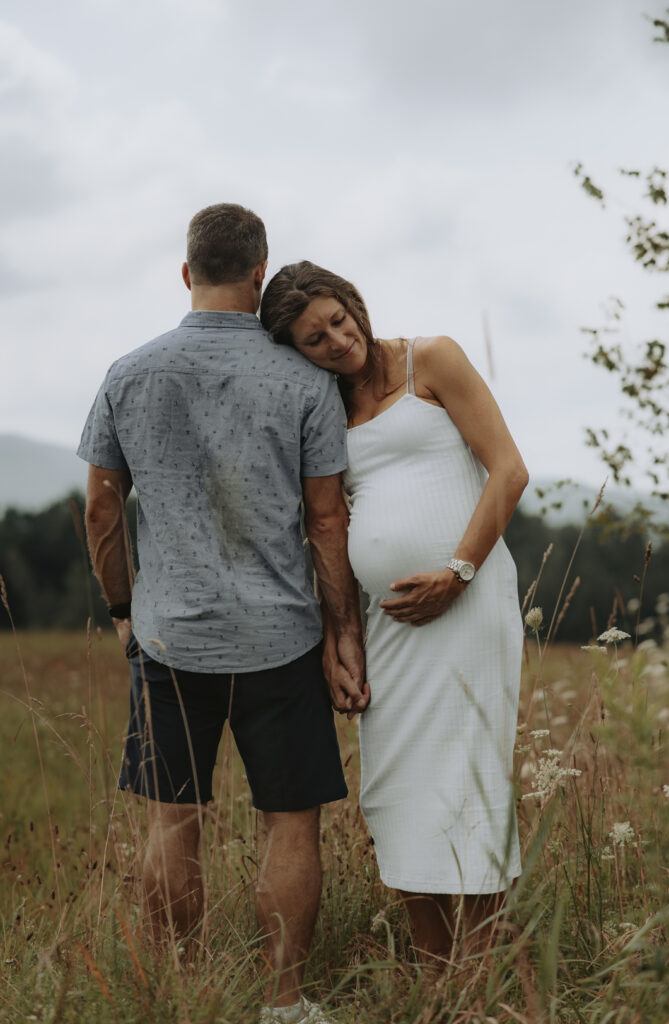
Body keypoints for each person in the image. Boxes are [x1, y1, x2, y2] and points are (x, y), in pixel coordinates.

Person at [77, 208, 368, 1024]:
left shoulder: (127, 373)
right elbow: (326, 521)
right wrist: (342, 632)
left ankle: (179, 990)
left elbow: (101, 509)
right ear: (258, 274)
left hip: (169, 639)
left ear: (184, 274)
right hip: (282, 640)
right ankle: (283, 1001)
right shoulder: (306, 383)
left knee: (174, 820)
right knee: (291, 824)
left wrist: (122, 609)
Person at [260, 261, 528, 973]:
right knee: (395, 786)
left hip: (468, 608)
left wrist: (457, 572)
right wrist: (335, 637)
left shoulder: (431, 359)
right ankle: (433, 970)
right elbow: (323, 522)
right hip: (386, 628)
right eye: (313, 339)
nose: (336, 341)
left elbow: (508, 470)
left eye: (338, 320)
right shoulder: (322, 407)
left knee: (467, 778)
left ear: (354, 304)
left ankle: (483, 970)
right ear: (296, 350)